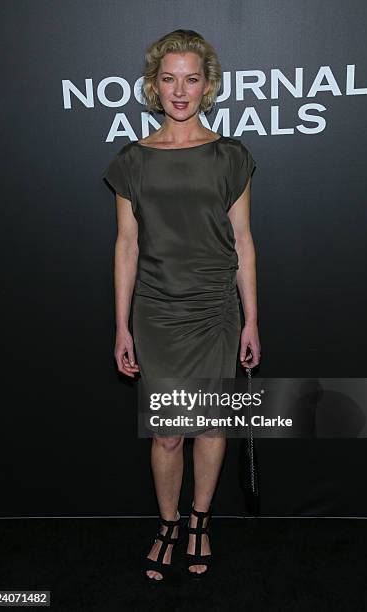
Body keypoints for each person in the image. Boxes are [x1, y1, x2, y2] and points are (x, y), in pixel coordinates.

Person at [103, 29, 261, 583]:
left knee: (210, 425)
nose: (179, 90)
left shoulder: (231, 156)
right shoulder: (132, 160)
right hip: (158, 310)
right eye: (169, 78)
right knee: (169, 431)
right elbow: (127, 244)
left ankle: (200, 521)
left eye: (191, 78)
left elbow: (242, 241)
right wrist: (121, 325)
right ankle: (167, 523)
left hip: (216, 309)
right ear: (154, 85)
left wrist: (252, 321)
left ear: (207, 86)